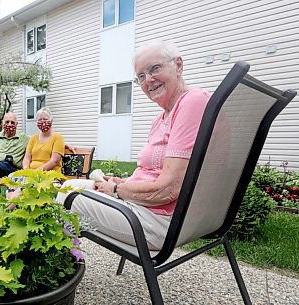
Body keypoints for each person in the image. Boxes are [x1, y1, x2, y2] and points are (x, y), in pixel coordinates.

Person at [57, 41, 212, 250]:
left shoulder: (192, 102)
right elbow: (156, 172)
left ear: (178, 65)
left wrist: (116, 189)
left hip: (157, 221)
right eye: (141, 76)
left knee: (60, 197)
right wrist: (126, 181)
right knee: (69, 186)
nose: (148, 80)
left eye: (155, 69)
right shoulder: (161, 119)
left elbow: (168, 189)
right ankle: (65, 257)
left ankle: (60, 264)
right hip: (144, 207)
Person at [22, 107, 65, 172]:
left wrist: (36, 172)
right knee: (11, 178)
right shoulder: (33, 138)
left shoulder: (58, 138)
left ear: (51, 120)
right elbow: (27, 158)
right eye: (40, 120)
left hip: (49, 175)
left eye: (45, 119)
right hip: (31, 175)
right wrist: (26, 170)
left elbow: (54, 161)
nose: (42, 122)